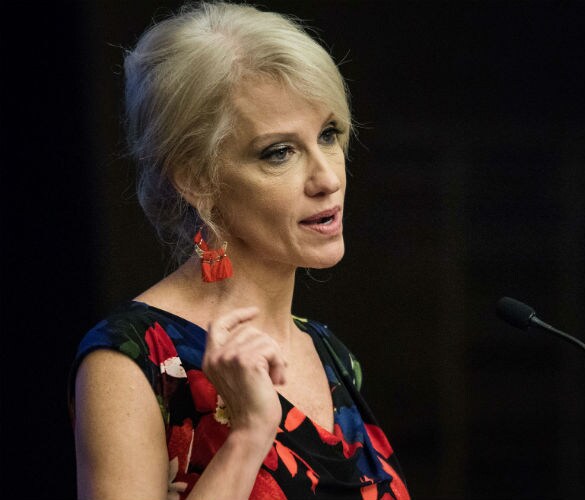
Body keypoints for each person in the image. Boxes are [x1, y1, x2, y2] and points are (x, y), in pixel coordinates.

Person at [69, 2, 411, 499]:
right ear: (196, 179)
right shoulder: (131, 360)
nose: (328, 178)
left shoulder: (329, 353)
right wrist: (249, 435)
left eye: (328, 134)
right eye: (279, 152)